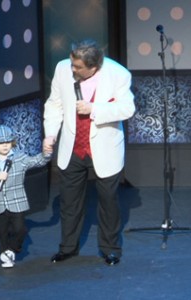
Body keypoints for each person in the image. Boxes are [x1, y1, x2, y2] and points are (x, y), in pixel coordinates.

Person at [43, 39, 136, 266]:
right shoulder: (62, 68)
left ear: (93, 67)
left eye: (77, 67)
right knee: (70, 202)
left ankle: (110, 249)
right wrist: (50, 134)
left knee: (108, 202)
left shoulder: (118, 74)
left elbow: (127, 108)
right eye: (72, 64)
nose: (72, 69)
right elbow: (54, 104)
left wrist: (94, 108)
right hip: (73, 146)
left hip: (104, 148)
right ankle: (67, 247)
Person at [0, 124, 52, 268]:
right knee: (1, 233)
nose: (5, 146)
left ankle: (13, 249)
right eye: (1, 143)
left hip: (17, 201)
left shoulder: (19, 158)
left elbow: (37, 161)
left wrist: (46, 153)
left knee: (20, 229)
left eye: (7, 142)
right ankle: (6, 256)